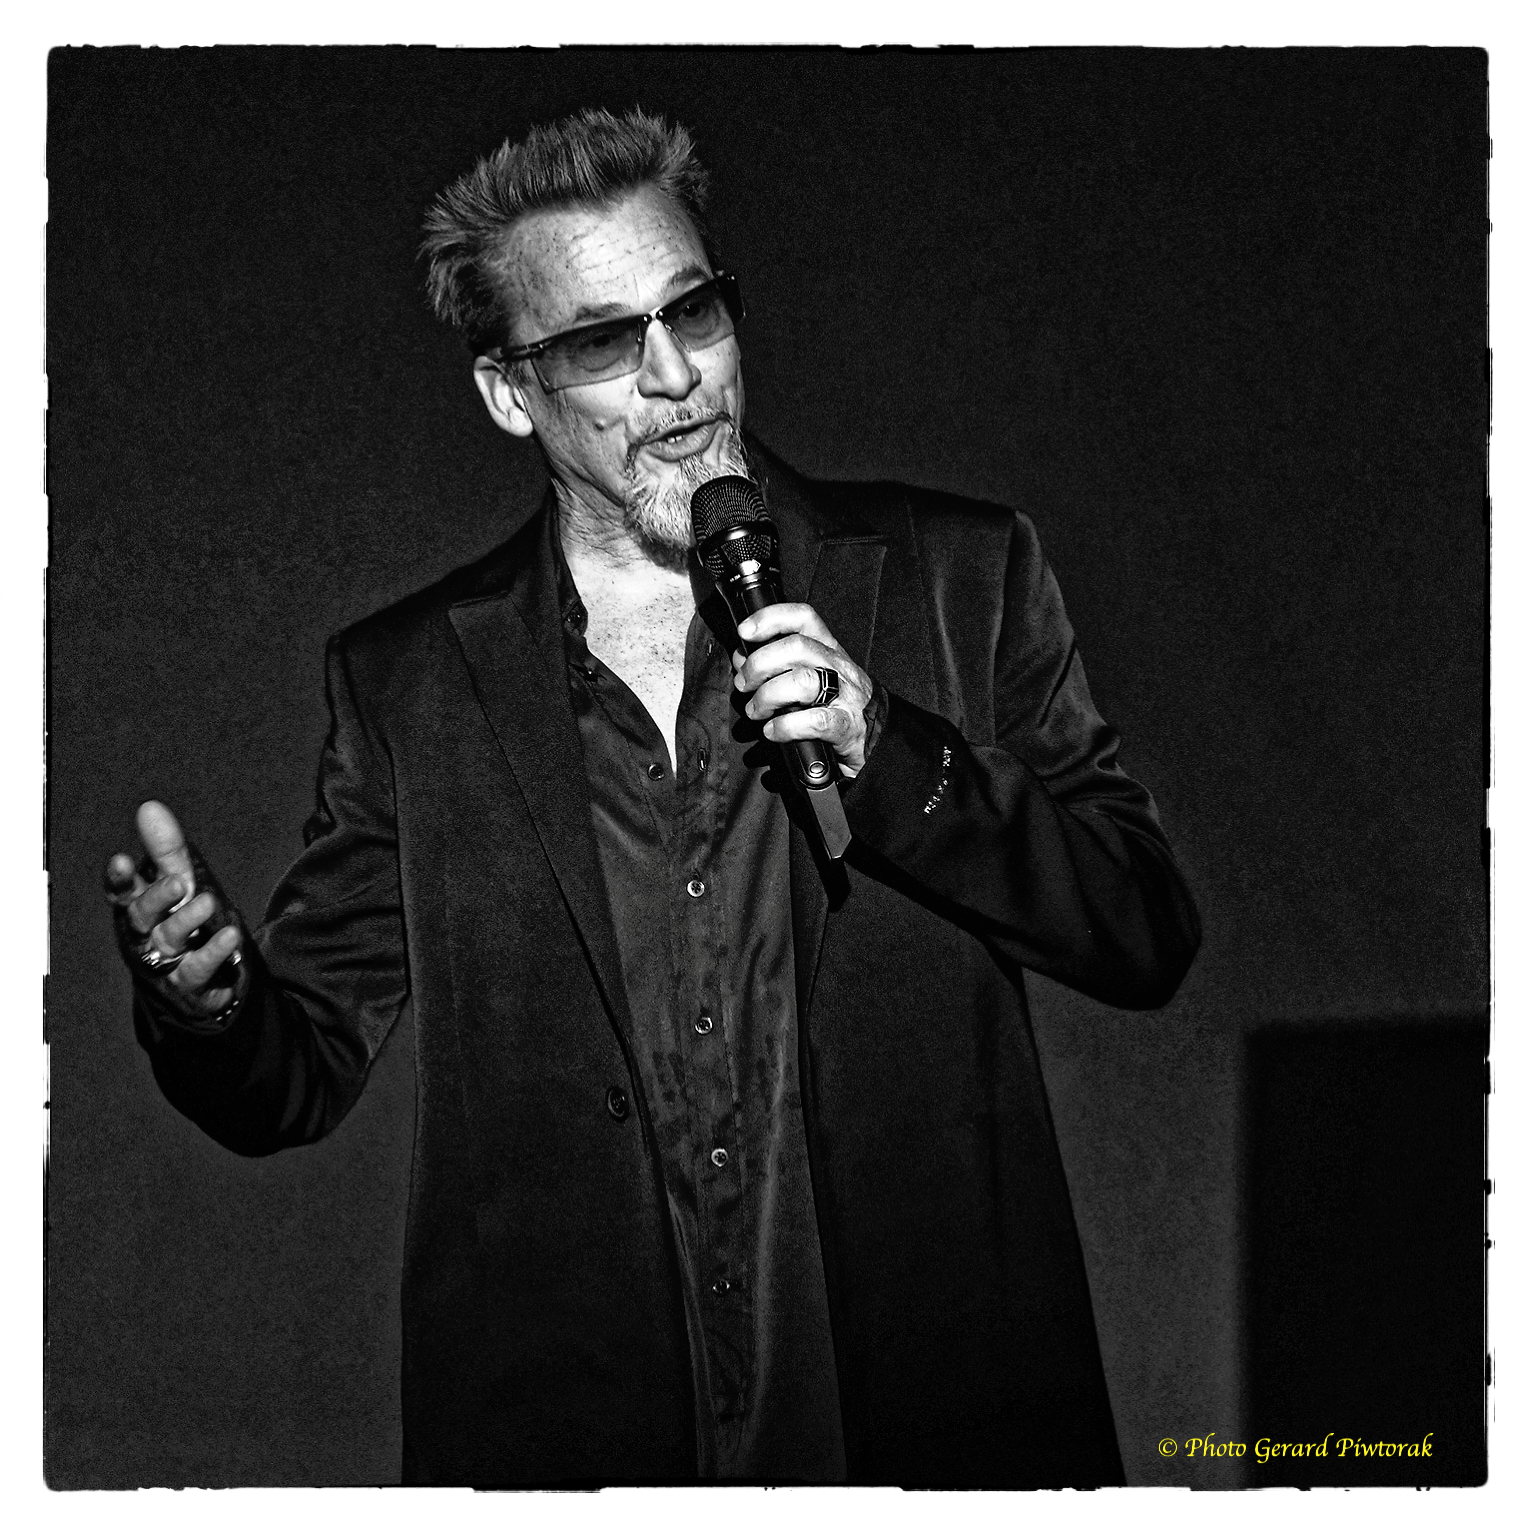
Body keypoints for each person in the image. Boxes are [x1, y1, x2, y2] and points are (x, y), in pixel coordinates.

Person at [103, 107, 1201, 1489]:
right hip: (578, 1441)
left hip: (930, 1430)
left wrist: (889, 751)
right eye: (606, 343)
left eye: (697, 312)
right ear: (512, 393)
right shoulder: (414, 684)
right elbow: (296, 1074)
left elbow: (1145, 933)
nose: (680, 377)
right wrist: (207, 1001)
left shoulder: (956, 578)